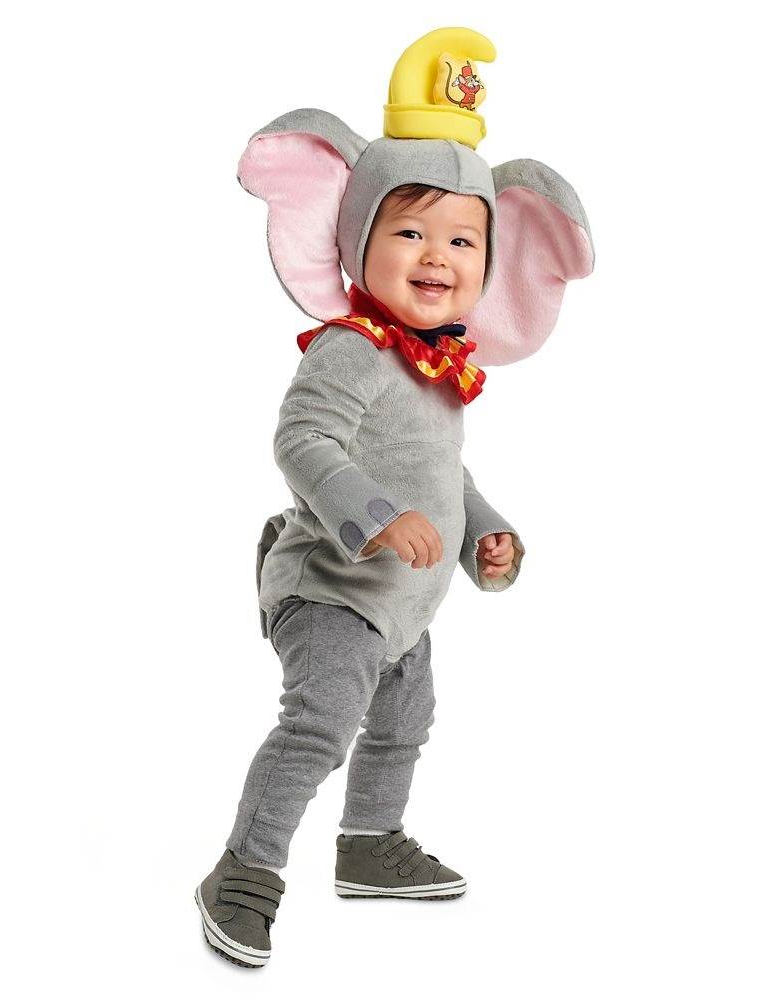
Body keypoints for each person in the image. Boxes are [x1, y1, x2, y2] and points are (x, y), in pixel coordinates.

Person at [195, 27, 594, 969]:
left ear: (491, 261)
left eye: (461, 238)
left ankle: (370, 845)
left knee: (405, 723)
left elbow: (444, 476)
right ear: (354, 236)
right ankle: (244, 871)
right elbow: (302, 441)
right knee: (322, 722)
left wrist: (486, 535)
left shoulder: (438, 367)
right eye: (409, 232)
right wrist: (376, 516)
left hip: (401, 605)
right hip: (332, 588)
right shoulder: (355, 348)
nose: (435, 256)